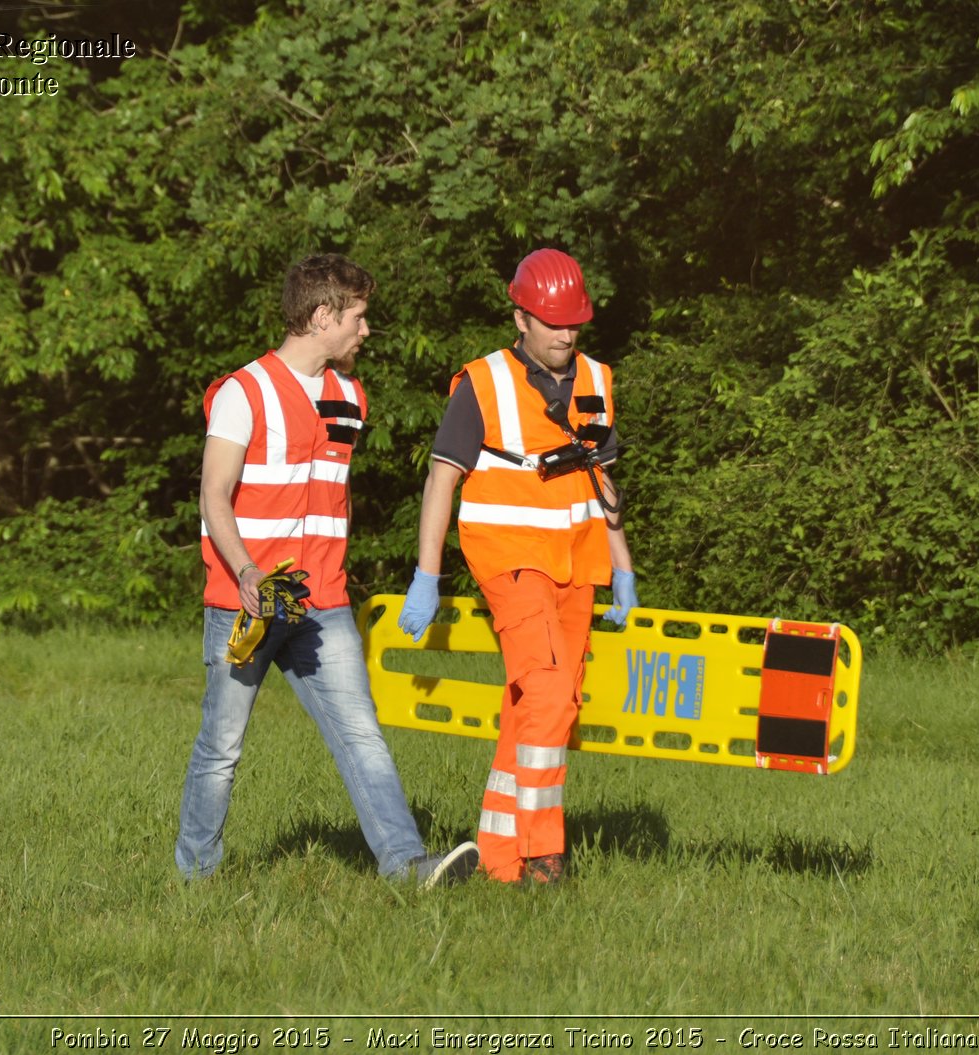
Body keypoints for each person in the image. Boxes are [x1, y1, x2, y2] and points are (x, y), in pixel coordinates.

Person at [176, 253, 478, 887]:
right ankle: (195, 879)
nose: (366, 331)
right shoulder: (244, 392)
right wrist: (248, 575)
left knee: (362, 734)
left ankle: (405, 867)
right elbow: (213, 496)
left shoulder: (349, 397)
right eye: (358, 318)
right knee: (221, 749)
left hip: (325, 604)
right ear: (321, 317)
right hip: (248, 603)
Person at [398, 248, 638, 885]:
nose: (565, 334)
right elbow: (441, 481)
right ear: (520, 317)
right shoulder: (482, 383)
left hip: (578, 559)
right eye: (552, 321)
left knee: (536, 701)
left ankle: (499, 857)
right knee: (553, 692)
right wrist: (428, 574)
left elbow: (603, 479)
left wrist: (623, 566)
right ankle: (541, 851)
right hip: (507, 557)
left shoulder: (597, 379)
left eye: (574, 323)